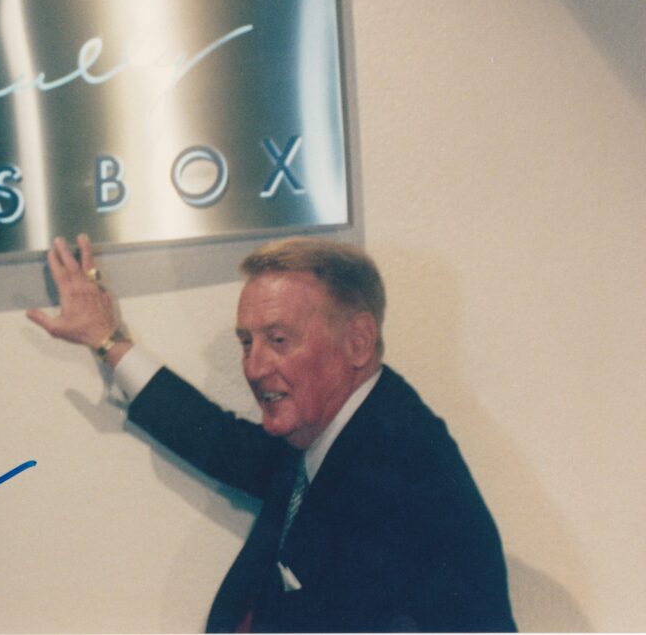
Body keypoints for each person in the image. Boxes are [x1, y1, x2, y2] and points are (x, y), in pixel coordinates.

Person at [27, 233, 516, 633]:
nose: (254, 367)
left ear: (358, 341)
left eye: (278, 341)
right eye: (246, 342)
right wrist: (108, 341)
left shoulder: (399, 471)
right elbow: (224, 444)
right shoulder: (337, 428)